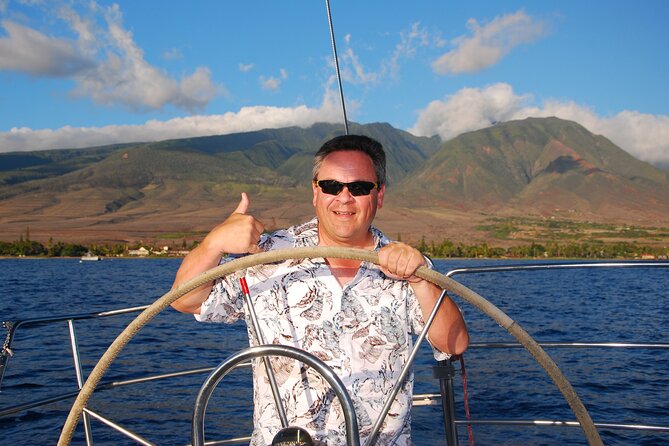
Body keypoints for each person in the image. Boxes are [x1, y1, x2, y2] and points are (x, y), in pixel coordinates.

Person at [171, 135, 469, 445]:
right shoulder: (266, 257)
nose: (344, 198)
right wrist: (214, 242)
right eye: (331, 186)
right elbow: (185, 300)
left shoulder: (407, 264)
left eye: (359, 188)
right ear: (315, 191)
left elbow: (455, 343)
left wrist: (421, 280)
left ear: (378, 195)